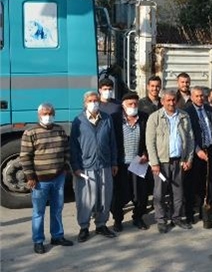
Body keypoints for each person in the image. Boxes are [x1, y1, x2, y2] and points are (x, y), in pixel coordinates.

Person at [20, 103, 73, 254]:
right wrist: (30, 176)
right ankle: (38, 241)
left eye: (50, 113)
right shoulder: (30, 133)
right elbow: (25, 157)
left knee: (57, 209)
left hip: (58, 178)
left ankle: (57, 236)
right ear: (39, 115)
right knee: (39, 211)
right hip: (39, 180)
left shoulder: (59, 130)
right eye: (45, 113)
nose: (47, 116)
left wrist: (65, 167)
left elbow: (66, 150)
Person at [70, 91, 118, 242]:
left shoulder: (106, 118)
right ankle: (84, 227)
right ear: (85, 103)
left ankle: (101, 225)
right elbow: (73, 146)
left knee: (104, 196)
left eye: (96, 100)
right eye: (90, 100)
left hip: (104, 164)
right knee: (86, 199)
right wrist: (76, 167)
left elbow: (112, 142)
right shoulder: (78, 121)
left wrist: (114, 162)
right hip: (86, 167)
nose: (94, 103)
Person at [146, 89, 195, 233]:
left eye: (173, 100)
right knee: (159, 193)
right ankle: (161, 220)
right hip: (161, 162)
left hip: (179, 160)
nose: (171, 103)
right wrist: (154, 162)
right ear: (162, 101)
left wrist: (189, 158)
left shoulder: (184, 116)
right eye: (168, 100)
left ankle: (177, 217)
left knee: (178, 192)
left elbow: (190, 139)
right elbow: (150, 142)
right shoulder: (155, 118)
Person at [111, 93, 150, 232]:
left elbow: (149, 138)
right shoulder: (115, 119)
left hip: (138, 162)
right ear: (123, 105)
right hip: (120, 163)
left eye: (135, 104)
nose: (133, 107)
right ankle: (117, 220)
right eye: (130, 104)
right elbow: (111, 141)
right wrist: (113, 161)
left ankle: (138, 217)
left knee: (140, 194)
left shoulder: (144, 118)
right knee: (119, 194)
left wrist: (146, 153)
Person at [185, 86, 212, 228]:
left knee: (207, 184)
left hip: (210, 150)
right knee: (192, 185)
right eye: (197, 96)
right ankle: (189, 215)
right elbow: (188, 135)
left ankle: (206, 212)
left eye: (202, 96)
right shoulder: (187, 111)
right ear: (192, 97)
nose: (200, 98)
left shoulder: (209, 109)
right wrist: (197, 150)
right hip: (195, 153)